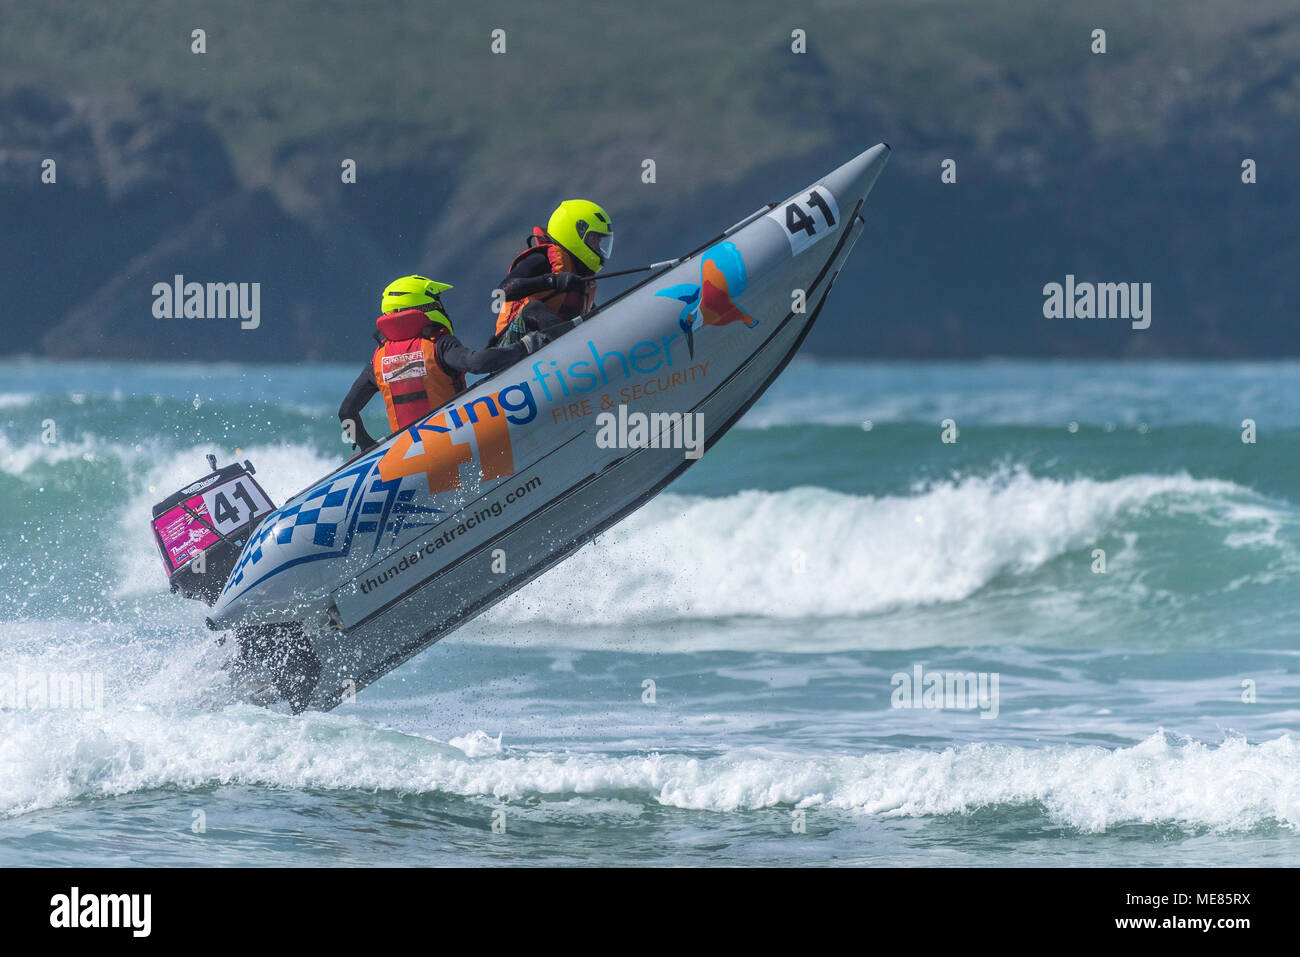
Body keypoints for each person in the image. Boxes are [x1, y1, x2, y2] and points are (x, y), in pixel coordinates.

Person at [338, 275, 546, 451]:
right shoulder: (437, 344)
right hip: (461, 445)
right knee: (532, 311)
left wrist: (370, 448)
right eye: (438, 302)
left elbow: (346, 412)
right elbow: (478, 363)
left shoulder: (378, 360)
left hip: (413, 456)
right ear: (425, 307)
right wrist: (526, 345)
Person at [490, 199, 613, 347]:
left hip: (546, 346)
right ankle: (573, 347)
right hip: (510, 345)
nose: (599, 249)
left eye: (600, 243)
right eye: (594, 240)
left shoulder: (583, 281)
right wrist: (554, 281)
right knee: (533, 309)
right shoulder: (542, 258)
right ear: (575, 233)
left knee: (594, 316)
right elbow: (503, 291)